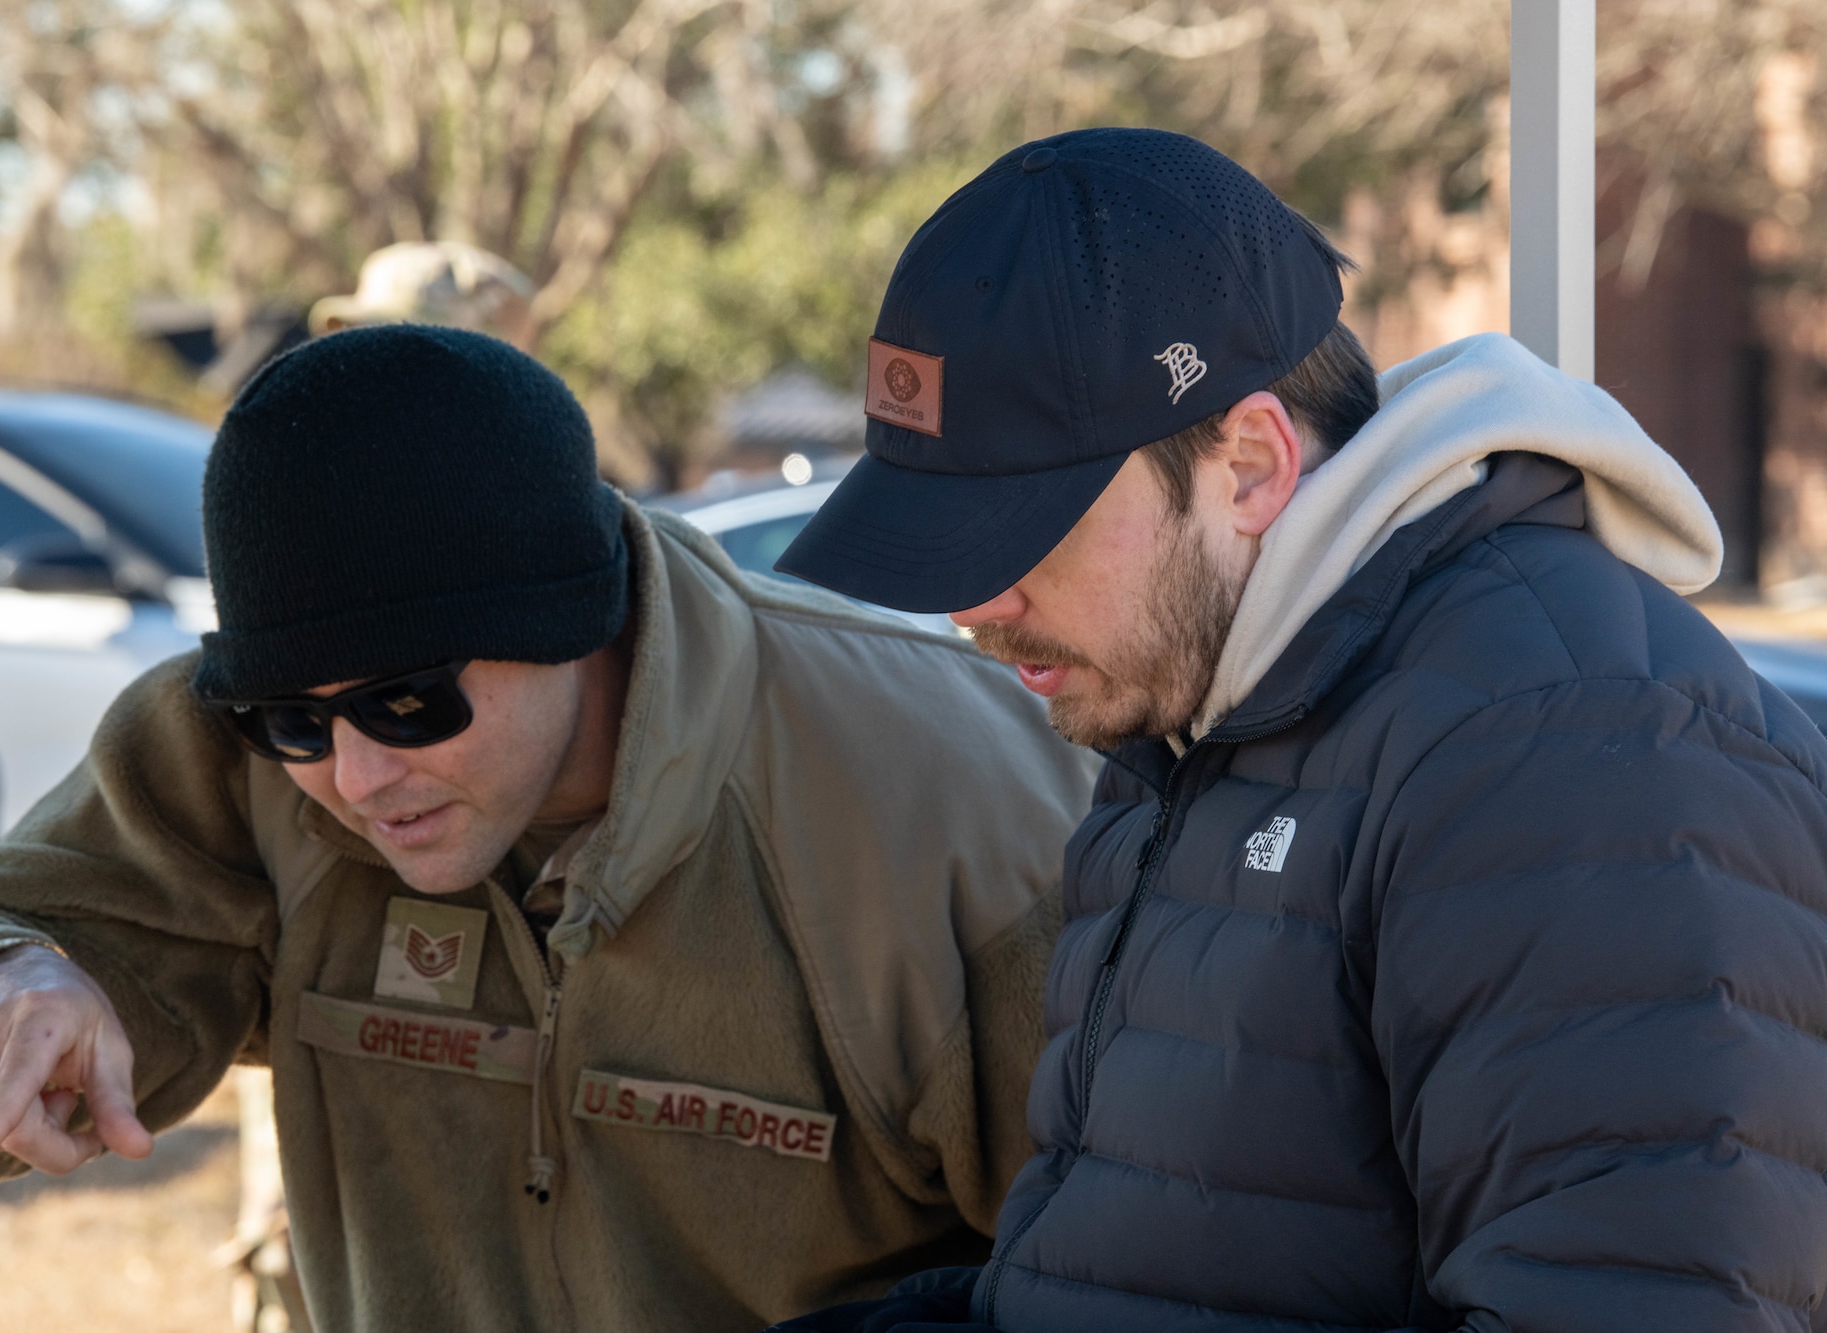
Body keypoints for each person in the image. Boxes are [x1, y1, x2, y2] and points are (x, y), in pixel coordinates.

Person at [0, 326, 1096, 1332]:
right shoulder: (249, 764)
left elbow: (1125, 1267)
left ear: (574, 616)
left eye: (408, 699)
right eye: (295, 720)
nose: (359, 775)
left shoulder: (946, 791)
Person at [773, 127, 1827, 1330]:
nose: (976, 602)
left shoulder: (1571, 750)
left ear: (1252, 462)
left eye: (1026, 528)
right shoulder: (1184, 716)